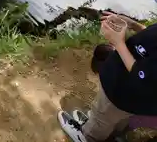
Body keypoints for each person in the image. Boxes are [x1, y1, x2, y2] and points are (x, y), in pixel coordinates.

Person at [58, 12, 157, 142]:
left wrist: (119, 43)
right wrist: (133, 25)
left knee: (102, 116)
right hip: (137, 102)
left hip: (121, 91)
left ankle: (86, 136)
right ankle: (110, 135)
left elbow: (144, 77)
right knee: (120, 120)